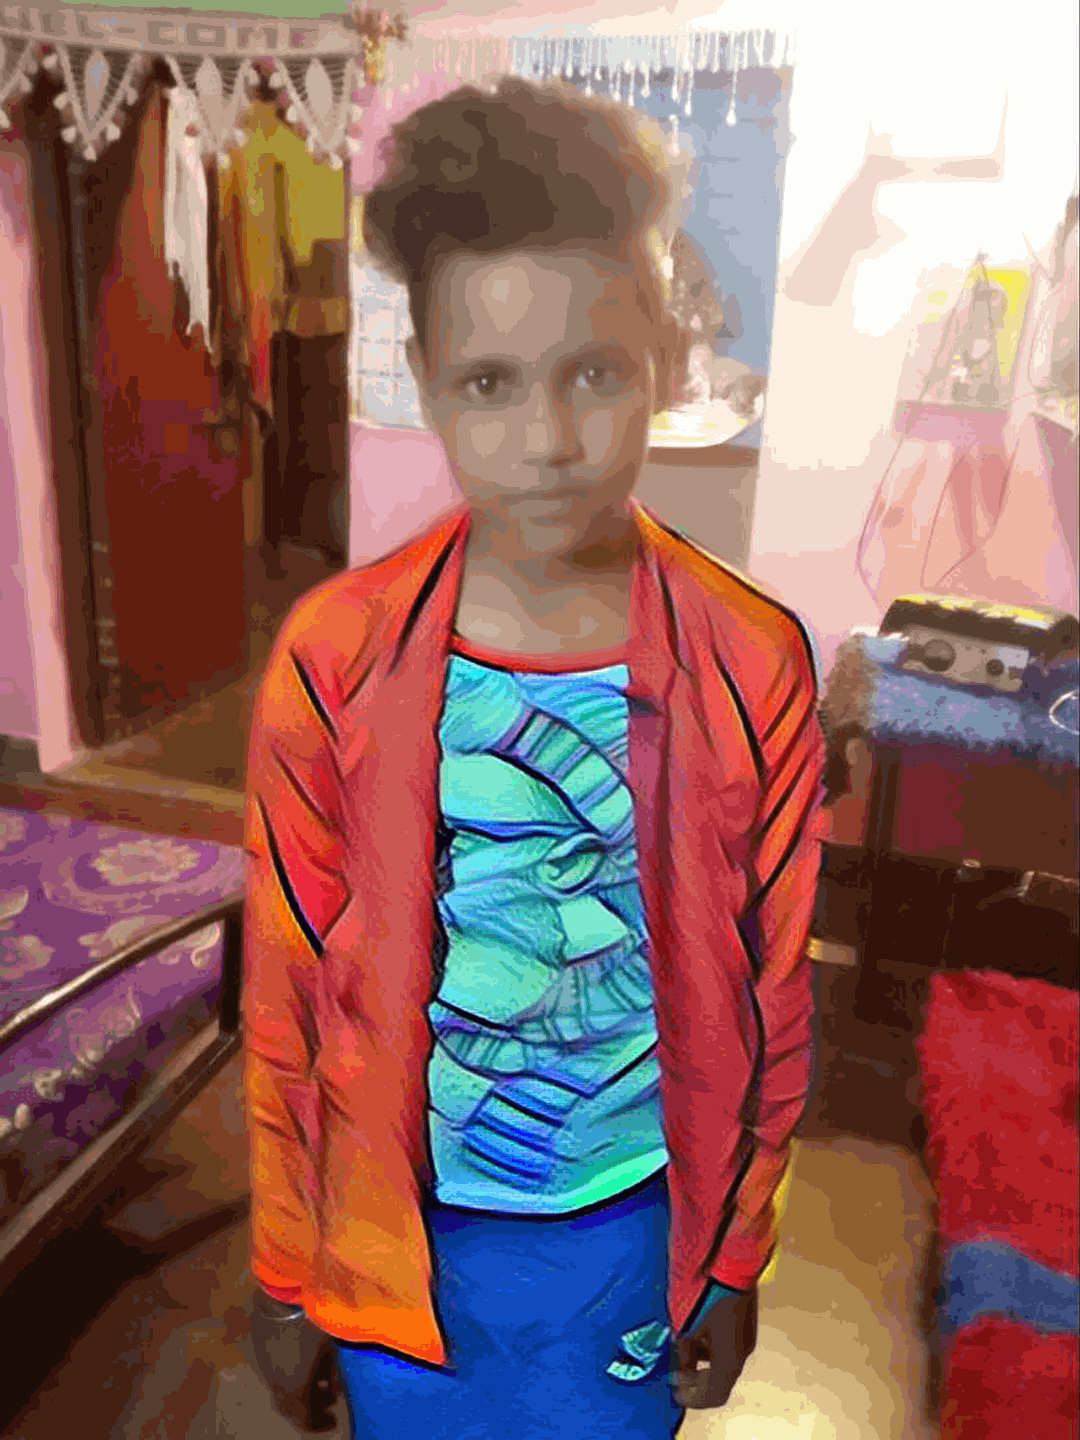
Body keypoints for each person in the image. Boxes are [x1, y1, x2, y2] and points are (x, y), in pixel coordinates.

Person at [244, 76, 825, 1439]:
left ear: (663, 363)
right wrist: (284, 1271)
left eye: (596, 374)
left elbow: (777, 986)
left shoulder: (753, 662)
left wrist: (738, 1258)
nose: (551, 442)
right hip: (400, 1227)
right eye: (492, 384)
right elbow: (286, 986)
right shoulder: (335, 657)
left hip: (634, 1224)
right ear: (429, 386)